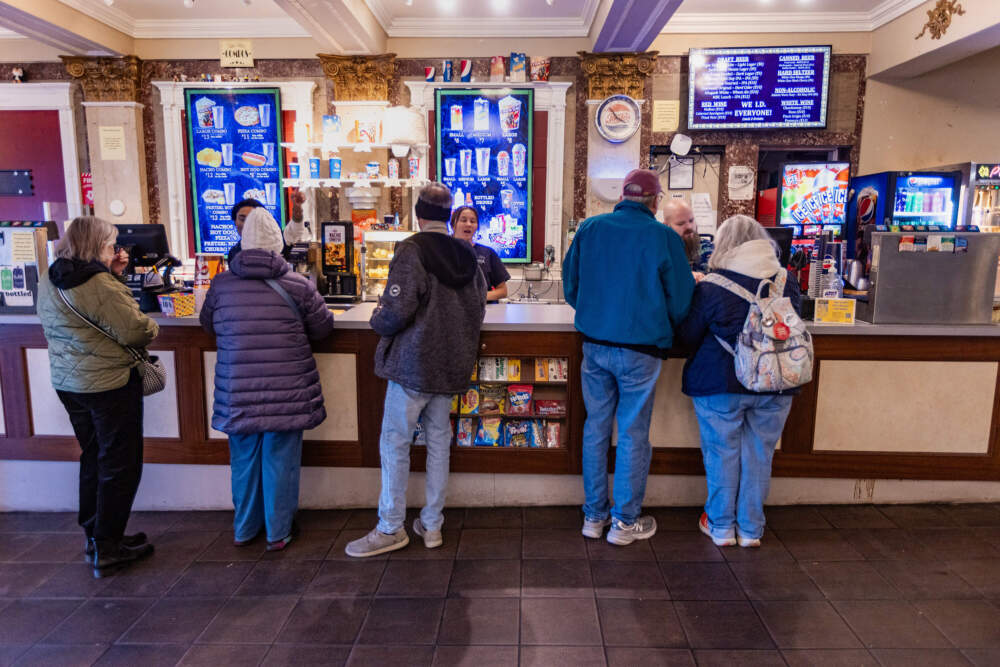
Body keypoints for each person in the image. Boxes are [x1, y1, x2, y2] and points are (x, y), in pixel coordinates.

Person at [347, 183, 486, 557]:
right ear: (448, 216)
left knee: (395, 444)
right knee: (439, 444)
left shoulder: (411, 250)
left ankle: (391, 527)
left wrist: (378, 319)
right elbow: (478, 308)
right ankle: (433, 524)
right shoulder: (467, 255)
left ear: (419, 214)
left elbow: (395, 310)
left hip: (413, 365)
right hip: (449, 366)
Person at [562, 169, 695, 546]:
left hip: (594, 346)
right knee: (634, 433)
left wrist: (596, 312)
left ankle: (593, 517)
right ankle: (624, 523)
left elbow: (571, 288)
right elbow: (682, 300)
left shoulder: (590, 229)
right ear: (655, 202)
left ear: (621, 195)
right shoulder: (664, 237)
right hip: (642, 350)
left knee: (595, 428)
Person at [200, 208, 334, 551]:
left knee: (243, 458)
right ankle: (278, 532)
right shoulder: (297, 285)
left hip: (238, 387)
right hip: (286, 389)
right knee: (280, 459)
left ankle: (244, 529)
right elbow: (323, 328)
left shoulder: (222, 284)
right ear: (279, 245)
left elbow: (208, 324)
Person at [36, 216, 158, 577]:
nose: (115, 250)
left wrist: (113, 274)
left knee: (93, 457)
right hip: (108, 384)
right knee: (121, 463)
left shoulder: (50, 277)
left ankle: (96, 535)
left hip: (69, 385)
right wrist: (151, 323)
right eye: (110, 244)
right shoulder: (97, 282)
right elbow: (136, 330)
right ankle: (108, 545)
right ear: (94, 245)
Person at [677, 215, 802, 548]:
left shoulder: (712, 285)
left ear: (724, 245)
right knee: (760, 454)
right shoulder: (786, 280)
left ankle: (720, 527)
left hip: (720, 383)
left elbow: (688, 335)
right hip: (776, 381)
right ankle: (750, 530)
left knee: (721, 454)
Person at [451, 205, 511, 302]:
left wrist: (479, 297)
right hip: (451, 312)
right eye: (463, 220)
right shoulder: (442, 252)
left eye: (473, 221)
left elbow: (502, 291)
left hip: (484, 313)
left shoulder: (488, 253)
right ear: (453, 224)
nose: (468, 224)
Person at [663, 198, 713, 276]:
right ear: (666, 226)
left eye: (691, 220)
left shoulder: (710, 248)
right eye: (681, 223)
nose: (689, 227)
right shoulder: (661, 253)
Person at [226, 198, 264, 264]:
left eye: (252, 219)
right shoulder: (234, 252)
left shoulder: (276, 248)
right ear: (235, 222)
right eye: (242, 219)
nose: (247, 224)